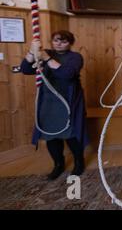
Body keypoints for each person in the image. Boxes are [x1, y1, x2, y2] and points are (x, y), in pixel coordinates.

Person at [20, 30, 88, 180]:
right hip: (48, 101)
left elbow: (67, 74)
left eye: (63, 41)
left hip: (69, 101)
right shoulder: (45, 53)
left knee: (71, 134)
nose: (59, 43)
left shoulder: (75, 57)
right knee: (50, 135)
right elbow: (25, 69)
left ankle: (79, 161)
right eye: (56, 40)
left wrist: (47, 58)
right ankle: (58, 164)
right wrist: (32, 52)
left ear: (70, 43)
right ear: (52, 41)